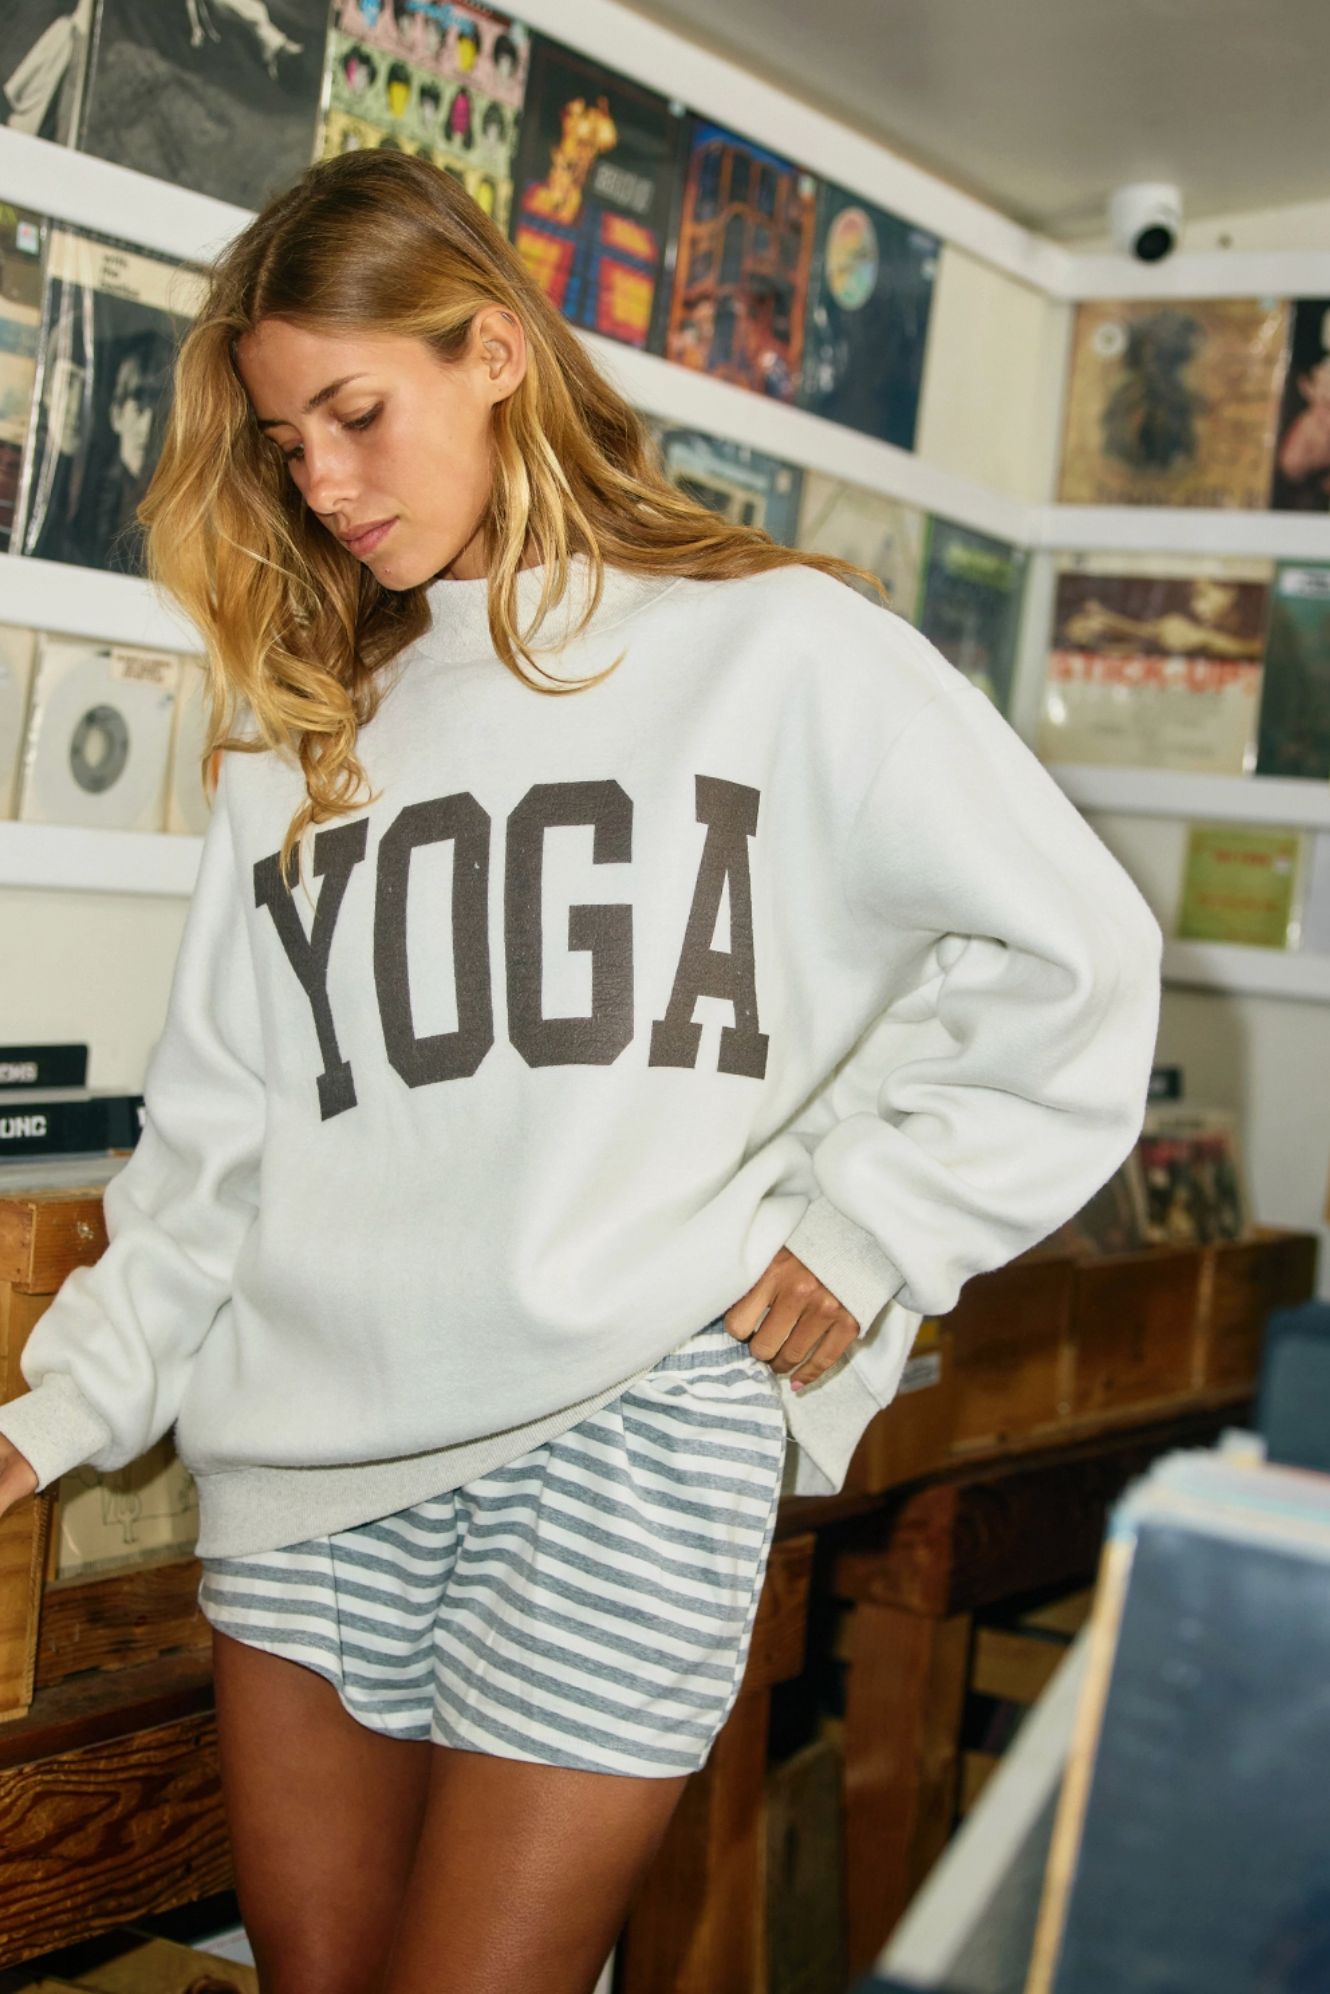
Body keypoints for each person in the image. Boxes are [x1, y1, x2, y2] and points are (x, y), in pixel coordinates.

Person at [0, 150, 1160, 1994]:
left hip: (625, 1429)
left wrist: (871, 1228)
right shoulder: (303, 727)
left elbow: (1072, 953)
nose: (324, 482)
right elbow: (215, 1143)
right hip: (299, 1451)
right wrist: (52, 1412)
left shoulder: (772, 648)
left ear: (493, 351)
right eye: (286, 444)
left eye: (356, 414)